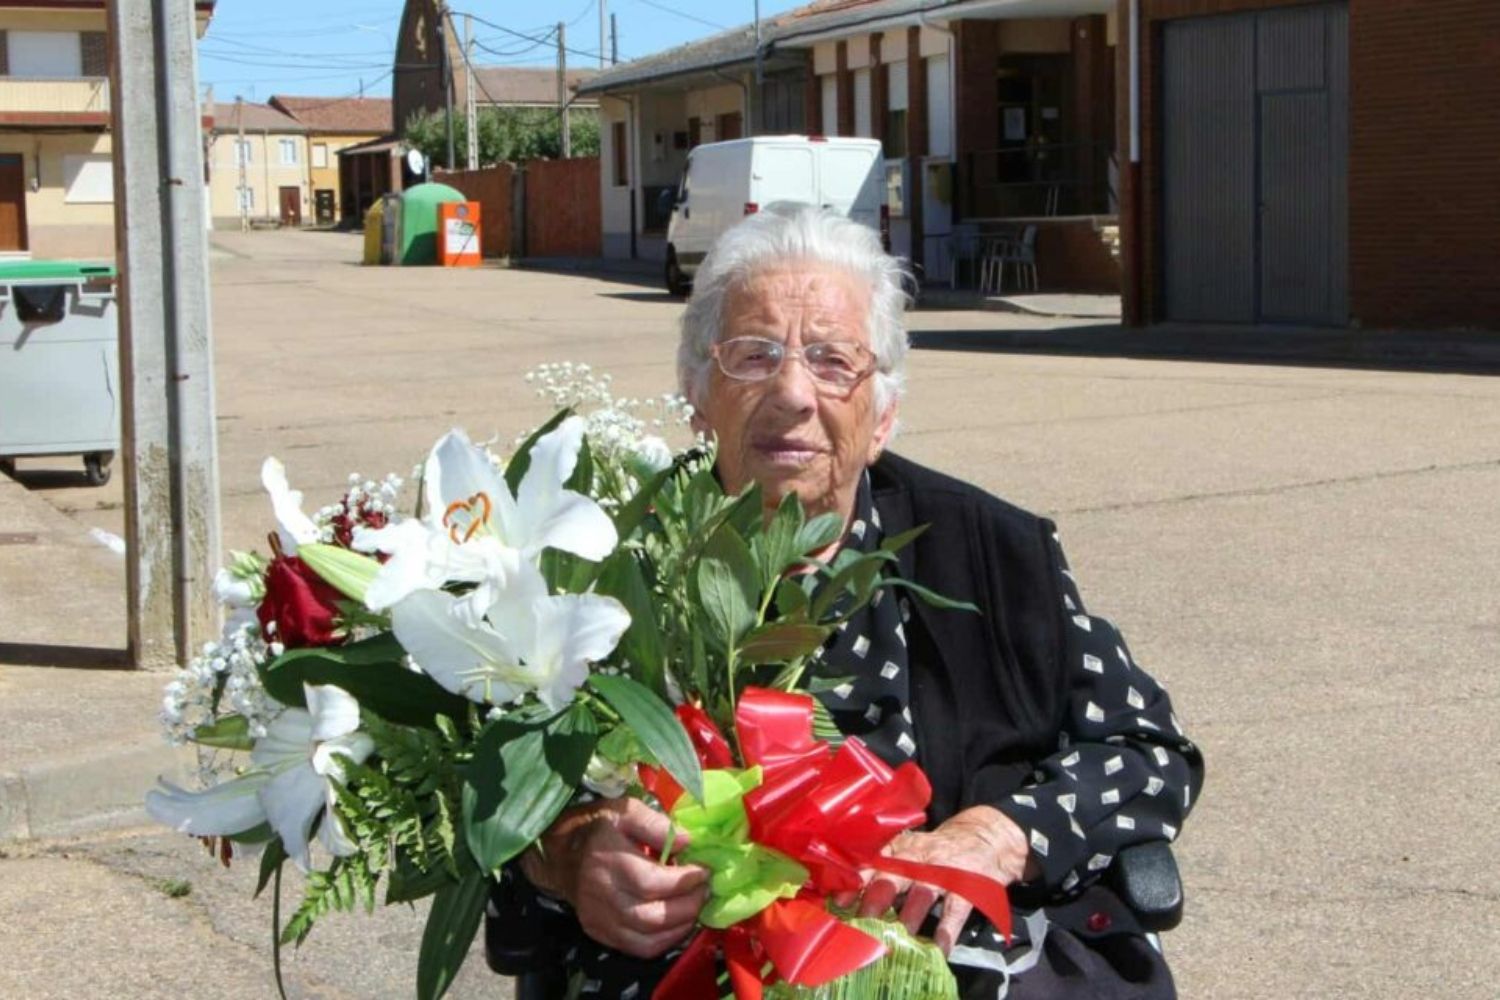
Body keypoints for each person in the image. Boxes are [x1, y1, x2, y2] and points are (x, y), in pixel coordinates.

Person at [491, 204, 1204, 999]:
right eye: (753, 355)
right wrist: (566, 850)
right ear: (696, 395)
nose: (793, 392)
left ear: (883, 415)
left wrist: (999, 835)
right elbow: (485, 784)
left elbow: (1147, 751)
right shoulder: (603, 564)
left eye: (833, 361)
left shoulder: (996, 554)